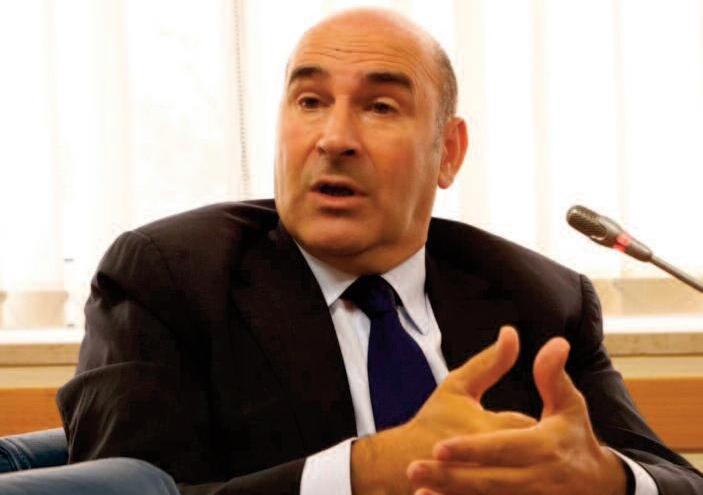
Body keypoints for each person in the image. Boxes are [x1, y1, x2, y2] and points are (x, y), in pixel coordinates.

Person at [57, 8, 703, 495]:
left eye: (380, 107)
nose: (333, 138)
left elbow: (674, 479)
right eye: (310, 101)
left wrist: (607, 479)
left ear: (448, 152)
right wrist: (364, 471)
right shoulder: (170, 280)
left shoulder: (537, 298)